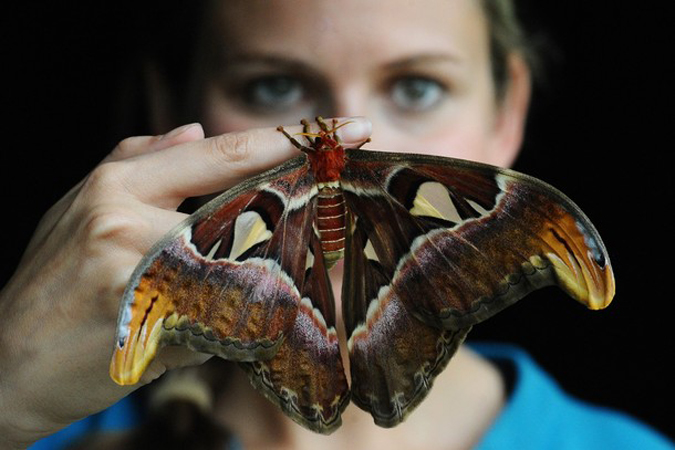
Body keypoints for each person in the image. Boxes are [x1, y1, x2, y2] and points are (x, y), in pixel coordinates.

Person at [1, 1, 672, 449]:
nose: (349, 133)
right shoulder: (35, 421)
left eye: (416, 88)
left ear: (507, 111)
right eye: (272, 87)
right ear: (169, 107)